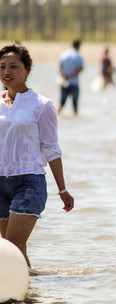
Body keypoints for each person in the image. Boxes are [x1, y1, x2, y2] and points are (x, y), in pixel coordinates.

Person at [0, 43, 74, 267]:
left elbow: (52, 148)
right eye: (2, 66)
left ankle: (21, 293)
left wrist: (62, 189)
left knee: (11, 247)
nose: (6, 72)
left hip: (29, 182)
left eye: (14, 66)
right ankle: (26, 293)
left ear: (27, 70)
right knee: (12, 248)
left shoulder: (42, 105)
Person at [58, 39, 84, 115]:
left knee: (61, 104)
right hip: (74, 83)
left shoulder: (64, 54)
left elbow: (60, 67)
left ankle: (56, 117)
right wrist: (71, 75)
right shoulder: (78, 56)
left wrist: (63, 75)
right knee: (75, 106)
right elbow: (80, 69)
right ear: (78, 46)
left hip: (64, 82)